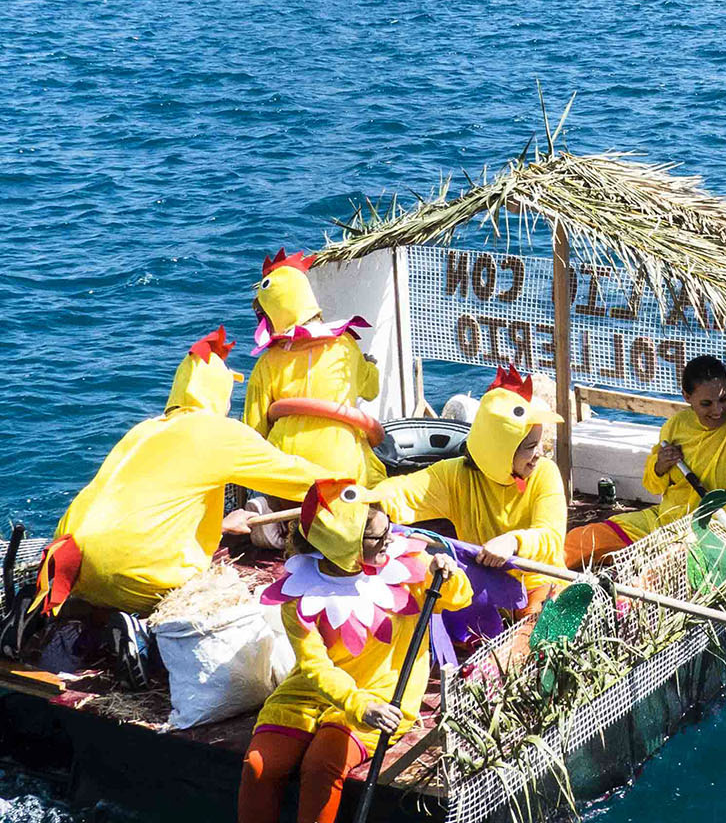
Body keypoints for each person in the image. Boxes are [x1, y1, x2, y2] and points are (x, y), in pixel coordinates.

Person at [34, 328, 319, 620]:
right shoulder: (217, 432)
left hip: (72, 565)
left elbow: (144, 507)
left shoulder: (145, 429)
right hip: (131, 578)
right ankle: (143, 634)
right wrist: (361, 487)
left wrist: (219, 526)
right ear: (220, 393)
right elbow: (305, 481)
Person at [241, 478, 471, 823]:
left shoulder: (406, 566)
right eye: (378, 537)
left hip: (382, 693)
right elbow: (315, 666)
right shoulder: (299, 593)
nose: (390, 539)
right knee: (257, 766)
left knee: (322, 766)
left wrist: (448, 574)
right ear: (342, 544)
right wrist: (355, 703)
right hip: (313, 693)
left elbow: (457, 598)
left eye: (389, 528)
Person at [563, 355, 726, 587]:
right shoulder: (675, 426)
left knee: (651, 576)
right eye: (706, 404)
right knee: (578, 541)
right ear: (687, 397)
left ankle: (621, 606)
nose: (718, 411)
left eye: (724, 399)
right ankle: (536, 592)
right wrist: (659, 466)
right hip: (665, 522)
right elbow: (653, 486)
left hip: (719, 533)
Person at [375, 367, 567, 621]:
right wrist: (362, 501)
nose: (539, 454)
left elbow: (551, 537)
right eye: (531, 447)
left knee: (533, 635)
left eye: (540, 444)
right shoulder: (454, 475)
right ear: (501, 450)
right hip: (483, 585)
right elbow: (402, 492)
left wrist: (514, 542)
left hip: (539, 581)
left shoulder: (545, 473)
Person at [242, 249, 384, 485]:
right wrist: (371, 367)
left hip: (287, 463)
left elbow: (254, 429)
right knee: (376, 480)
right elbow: (370, 389)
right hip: (340, 459)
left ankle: (268, 506)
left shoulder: (267, 363)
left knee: (277, 488)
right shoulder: (345, 345)